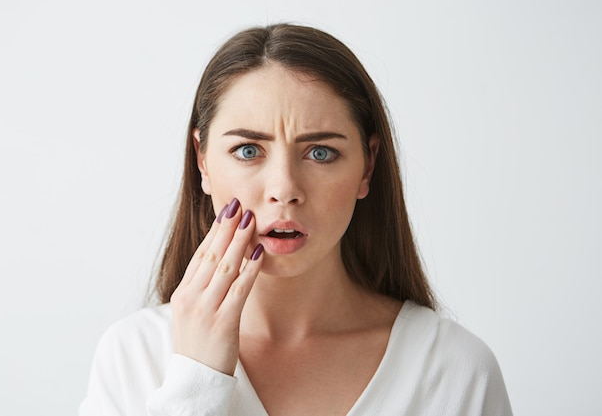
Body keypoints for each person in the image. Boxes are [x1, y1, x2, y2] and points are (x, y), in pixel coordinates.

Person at [79, 23, 512, 416]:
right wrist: (195, 382)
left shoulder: (457, 370)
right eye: (248, 151)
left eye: (320, 153)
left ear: (367, 166)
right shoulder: (132, 356)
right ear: (202, 161)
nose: (284, 189)